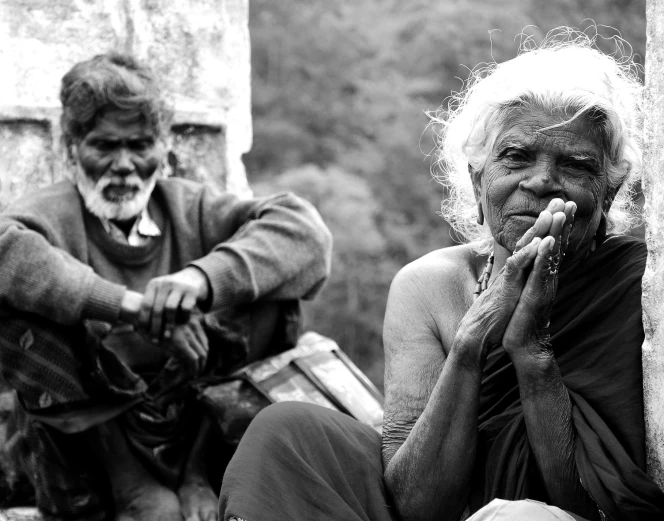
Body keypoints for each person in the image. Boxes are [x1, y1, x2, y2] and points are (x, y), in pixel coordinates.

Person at [218, 31, 664, 521]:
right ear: (478, 180)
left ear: (610, 191)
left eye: (576, 165)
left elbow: (594, 504)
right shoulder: (428, 286)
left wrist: (533, 354)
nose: (540, 181)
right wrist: (473, 340)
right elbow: (417, 505)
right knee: (287, 433)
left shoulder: (641, 285)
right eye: (516, 156)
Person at [0, 52, 332, 521]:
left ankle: (196, 475)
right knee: (27, 312)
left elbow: (305, 234)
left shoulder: (190, 207)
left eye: (140, 145)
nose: (125, 164)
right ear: (72, 149)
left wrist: (199, 282)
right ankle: (131, 483)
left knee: (273, 294)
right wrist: (131, 307)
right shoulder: (52, 214)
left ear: (163, 149)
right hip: (92, 453)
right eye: (105, 146)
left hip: (197, 425)